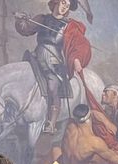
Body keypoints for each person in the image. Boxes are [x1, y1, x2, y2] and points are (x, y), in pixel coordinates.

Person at [15, 0, 92, 134]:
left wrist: (77, 60)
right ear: (56, 2)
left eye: (67, 6)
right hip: (37, 55)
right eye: (63, 3)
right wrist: (21, 20)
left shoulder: (69, 26)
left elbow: (79, 44)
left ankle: (51, 123)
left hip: (54, 60)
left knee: (52, 86)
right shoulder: (42, 19)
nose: (64, 7)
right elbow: (26, 30)